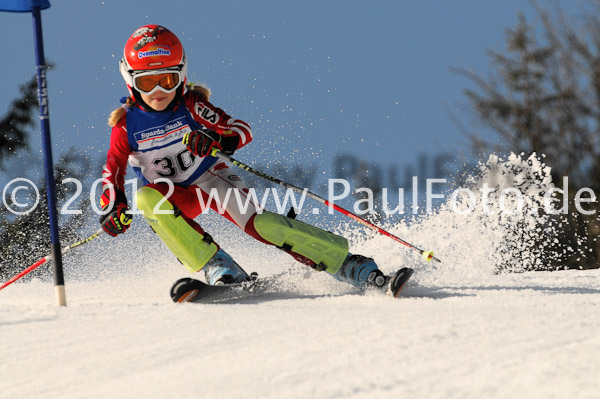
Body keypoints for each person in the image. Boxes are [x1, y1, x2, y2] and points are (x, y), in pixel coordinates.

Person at [100, 24, 397, 293]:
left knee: (262, 224)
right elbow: (111, 171)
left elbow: (241, 130)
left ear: (182, 76)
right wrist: (113, 208)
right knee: (146, 200)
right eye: (148, 82)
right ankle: (218, 266)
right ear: (130, 81)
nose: (159, 91)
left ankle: (348, 264)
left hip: (209, 181)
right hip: (173, 196)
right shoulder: (126, 125)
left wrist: (215, 139)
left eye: (167, 79)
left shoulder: (191, 105)